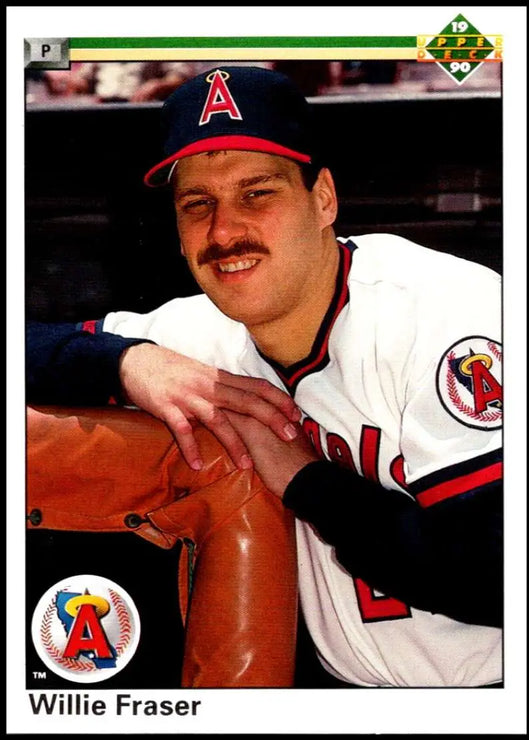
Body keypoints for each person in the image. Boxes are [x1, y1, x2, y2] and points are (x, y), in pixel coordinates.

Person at [26, 65, 503, 688]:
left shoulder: (444, 312)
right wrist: (125, 360)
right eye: (198, 205)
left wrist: (307, 480)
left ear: (323, 198)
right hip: (338, 690)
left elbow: (496, 579)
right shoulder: (195, 335)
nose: (224, 231)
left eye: (258, 193)